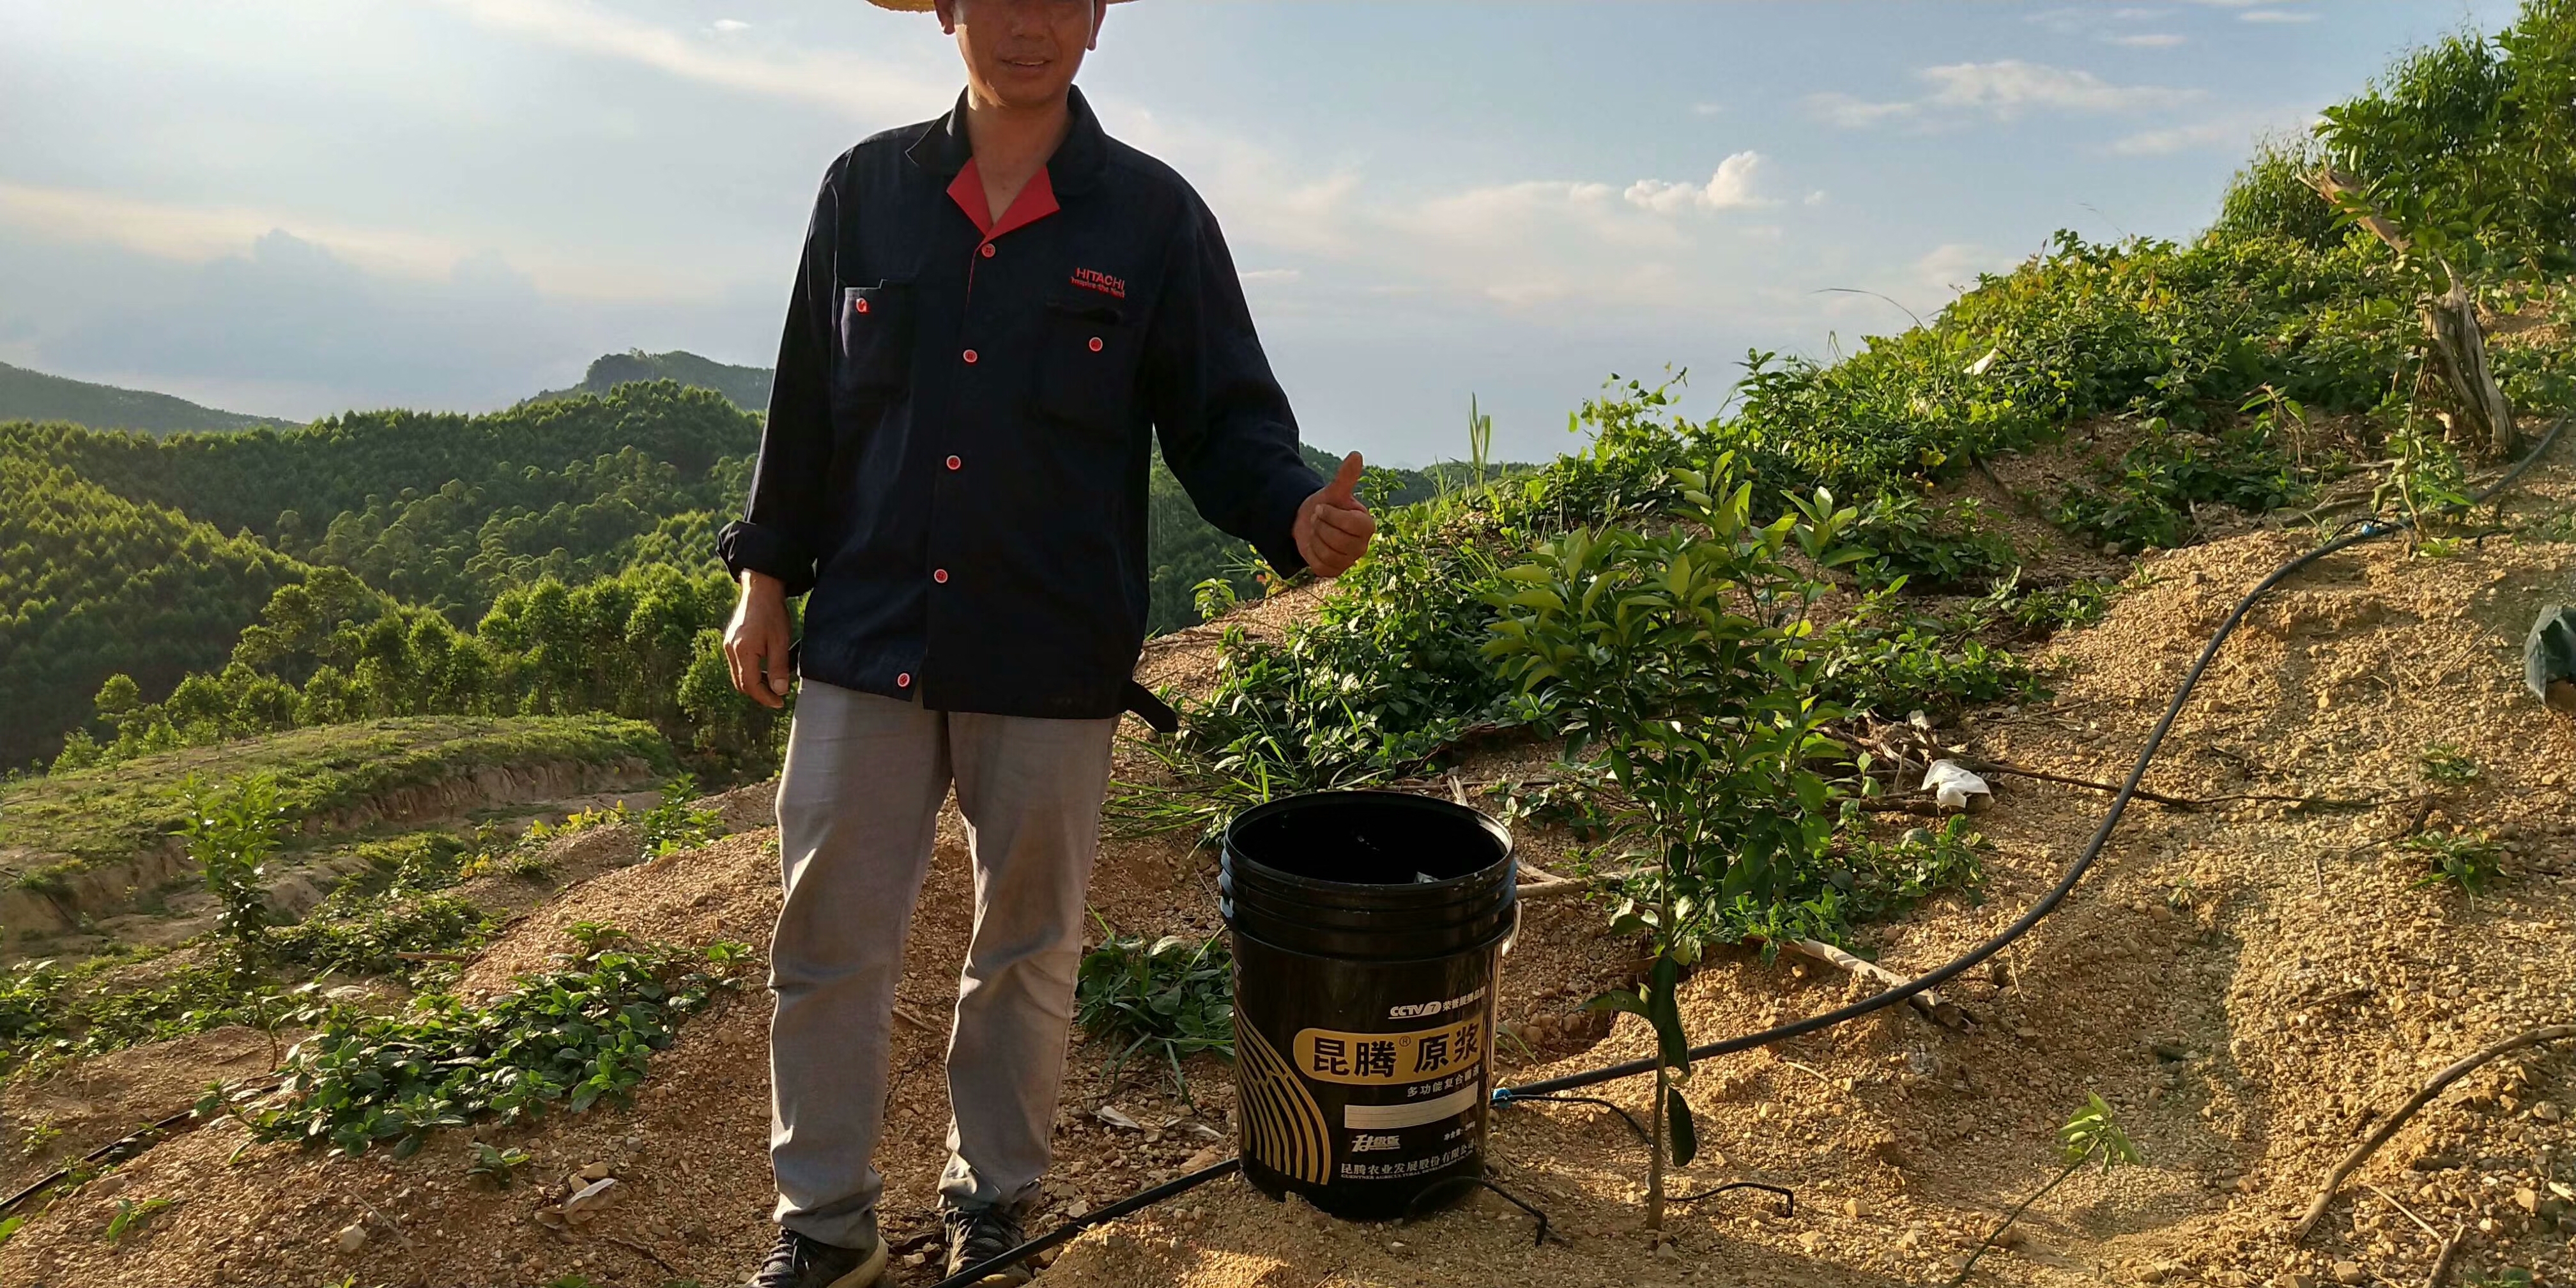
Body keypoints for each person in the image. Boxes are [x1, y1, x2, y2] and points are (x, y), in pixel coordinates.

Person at [716, 1, 1376, 1284]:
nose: (1028, 23)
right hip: (870, 637)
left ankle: (994, 1208)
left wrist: (1294, 512)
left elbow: (1219, 413)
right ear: (951, 11)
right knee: (828, 939)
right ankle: (826, 1228)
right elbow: (806, 401)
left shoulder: (1151, 215)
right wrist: (766, 578)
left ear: (1096, 19)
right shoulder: (866, 188)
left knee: (1026, 947)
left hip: (1051, 647)